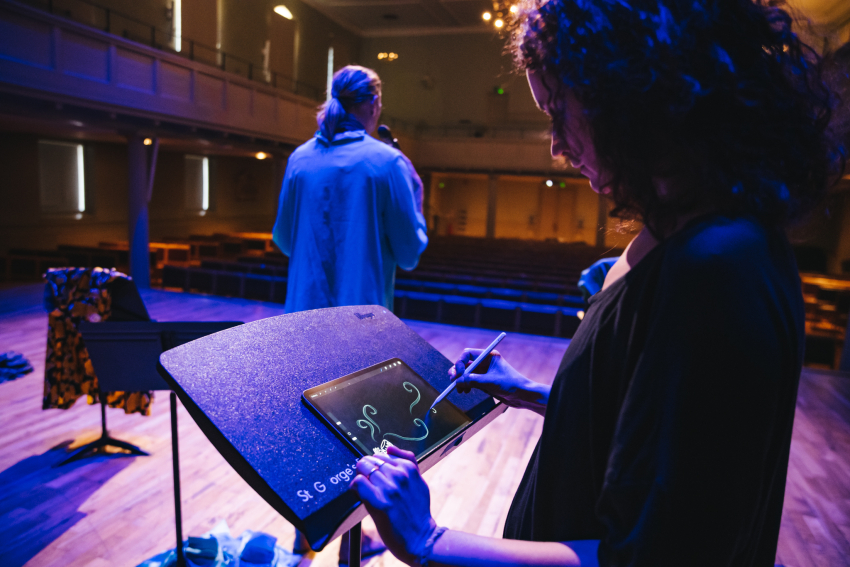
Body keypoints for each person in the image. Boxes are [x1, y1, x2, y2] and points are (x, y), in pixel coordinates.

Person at [347, 0, 846, 565]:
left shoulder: (716, 268)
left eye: (560, 113)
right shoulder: (688, 236)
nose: (557, 147)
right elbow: (653, 432)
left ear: (634, 95)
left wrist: (428, 542)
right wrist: (547, 397)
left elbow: (653, 557)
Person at [272, 65, 428, 314]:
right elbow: (408, 255)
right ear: (374, 103)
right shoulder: (388, 162)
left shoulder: (299, 159)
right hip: (361, 325)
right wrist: (416, 192)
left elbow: (285, 241)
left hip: (302, 319)